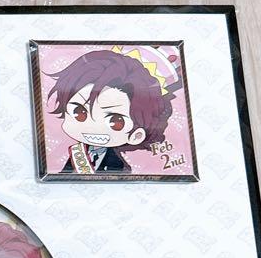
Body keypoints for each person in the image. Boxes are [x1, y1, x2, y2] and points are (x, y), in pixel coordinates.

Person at [46, 47, 175, 174]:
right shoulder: (76, 154)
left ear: (136, 135)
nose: (94, 126)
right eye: (79, 113)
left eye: (115, 121)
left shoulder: (117, 165)